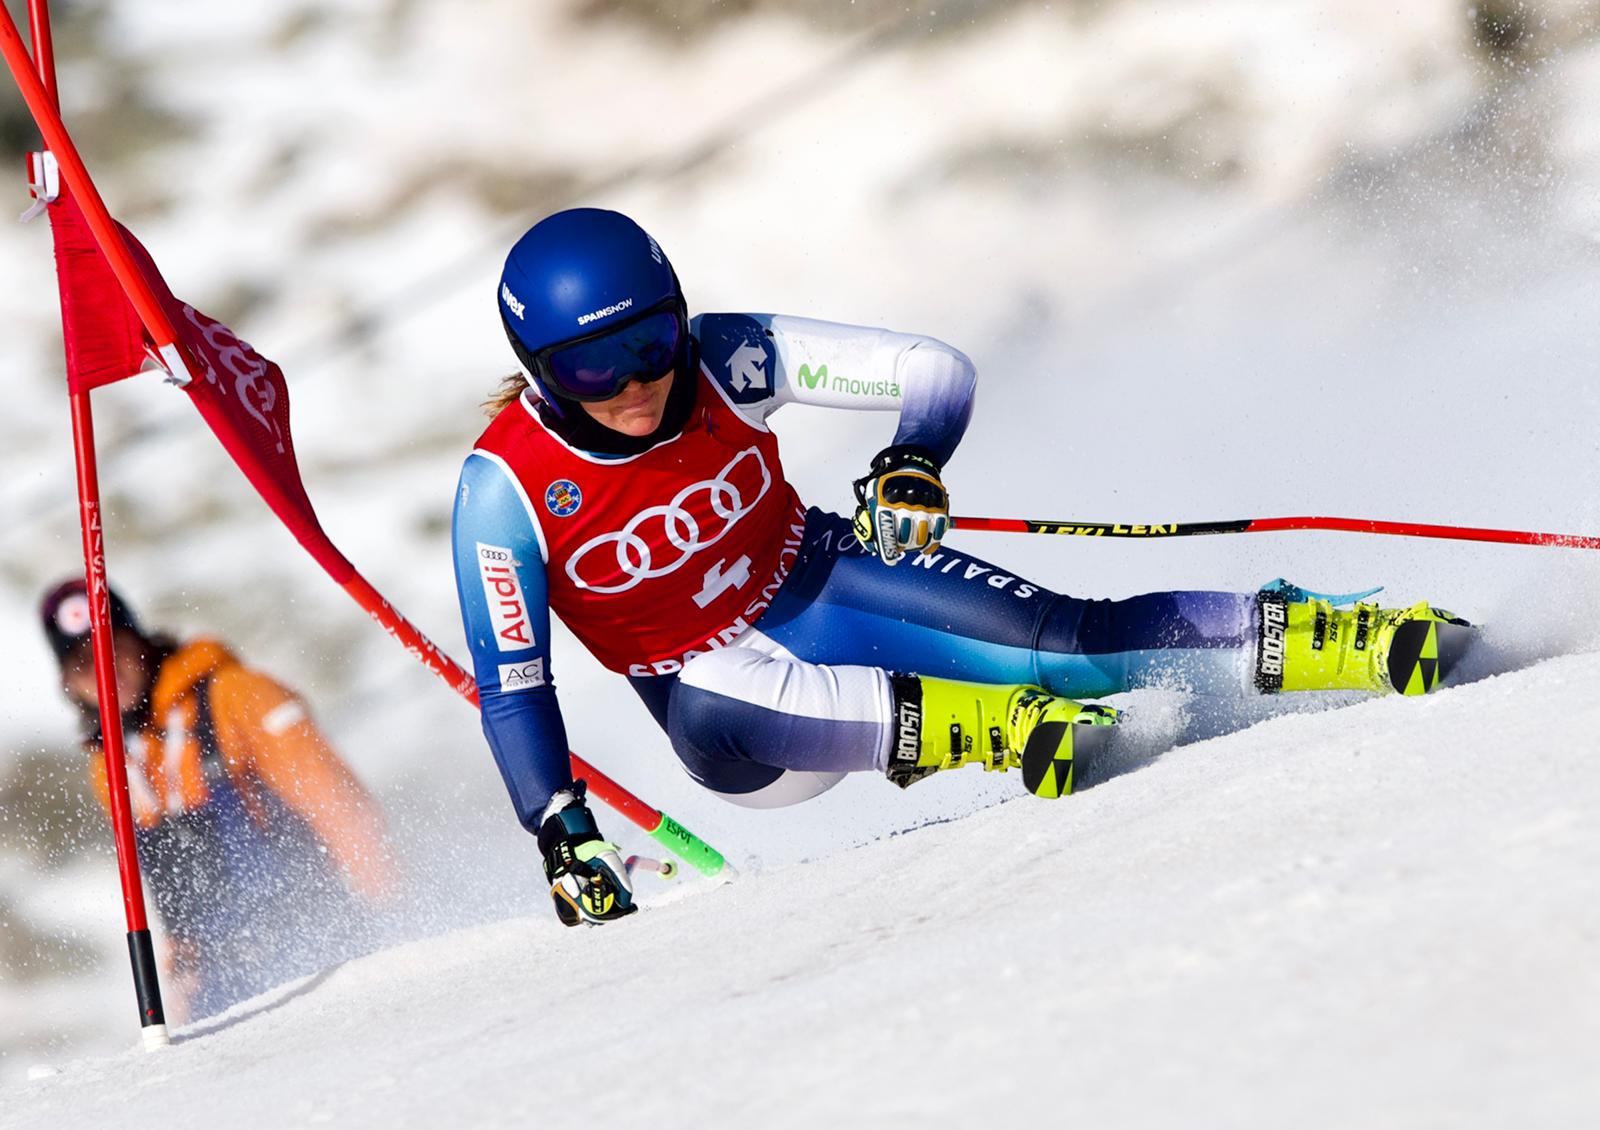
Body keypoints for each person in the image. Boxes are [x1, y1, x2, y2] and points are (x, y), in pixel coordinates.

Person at [452, 208, 1471, 927]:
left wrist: (911, 461)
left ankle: (1324, 637)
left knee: (1071, 645)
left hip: (822, 582)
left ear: (680, 314)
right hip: (736, 725)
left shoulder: (732, 355)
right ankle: (991, 729)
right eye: (591, 368)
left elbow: (931, 369)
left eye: (648, 341)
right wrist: (559, 824)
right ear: (540, 372)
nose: (632, 383)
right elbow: (513, 683)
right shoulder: (506, 488)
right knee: (706, 692)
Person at [40, 579, 400, 1018]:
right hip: (226, 984)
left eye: (114, 647)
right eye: (84, 664)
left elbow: (340, 807)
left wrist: (391, 917)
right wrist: (182, 991)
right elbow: (170, 888)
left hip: (324, 946)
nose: (106, 672)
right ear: (69, 686)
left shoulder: (235, 694)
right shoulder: (111, 767)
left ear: (142, 641)